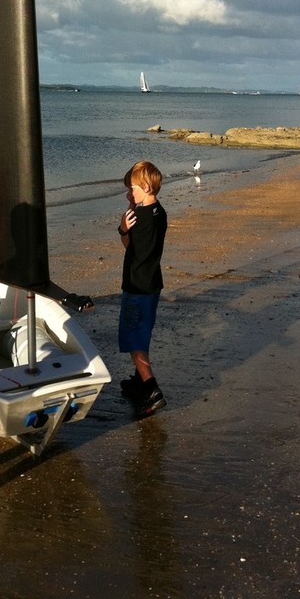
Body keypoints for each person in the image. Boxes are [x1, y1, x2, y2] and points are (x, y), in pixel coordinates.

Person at [116, 160, 168, 417]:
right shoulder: (159, 212)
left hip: (137, 285)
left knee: (134, 340)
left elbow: (130, 247)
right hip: (152, 284)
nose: (130, 194)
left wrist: (123, 229)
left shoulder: (142, 221)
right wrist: (131, 205)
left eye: (133, 189)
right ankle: (139, 381)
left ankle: (151, 388)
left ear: (146, 187)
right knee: (142, 332)